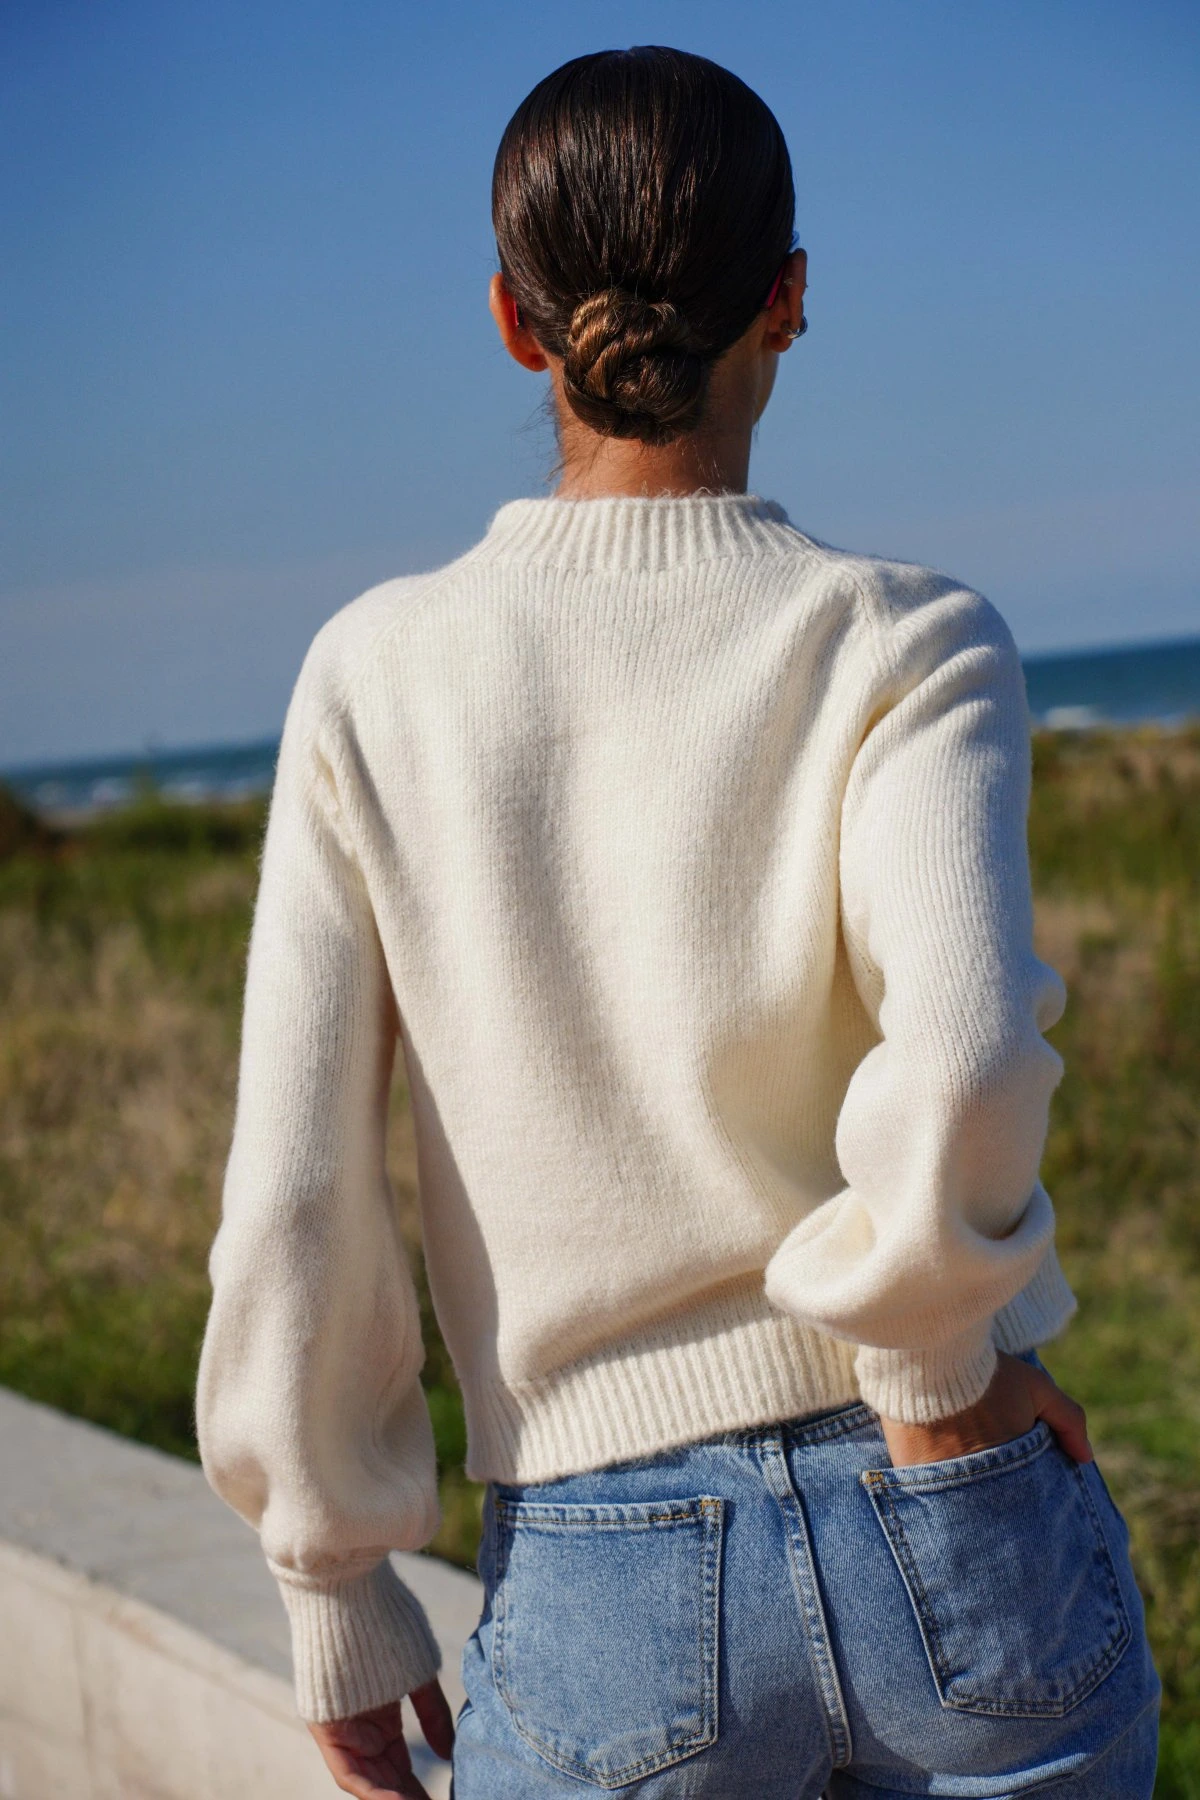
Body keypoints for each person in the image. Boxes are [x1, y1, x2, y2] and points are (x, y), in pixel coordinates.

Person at [195, 44, 1161, 1800]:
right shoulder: (911, 638)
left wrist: (334, 1581)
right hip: (953, 1499)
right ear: (786, 301)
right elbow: (965, 1042)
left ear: (513, 321)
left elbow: (296, 1187)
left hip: (604, 1571)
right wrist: (937, 1369)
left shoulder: (373, 676)